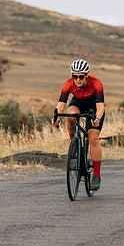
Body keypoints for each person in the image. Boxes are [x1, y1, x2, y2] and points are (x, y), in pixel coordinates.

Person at [52, 59, 105, 190]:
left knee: (93, 138)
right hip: (78, 103)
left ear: (87, 75)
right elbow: (61, 104)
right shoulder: (68, 84)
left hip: (94, 108)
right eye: (75, 76)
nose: (78, 80)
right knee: (70, 116)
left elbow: (100, 106)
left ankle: (96, 176)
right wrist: (57, 116)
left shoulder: (96, 83)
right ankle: (74, 143)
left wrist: (97, 118)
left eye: (81, 77)